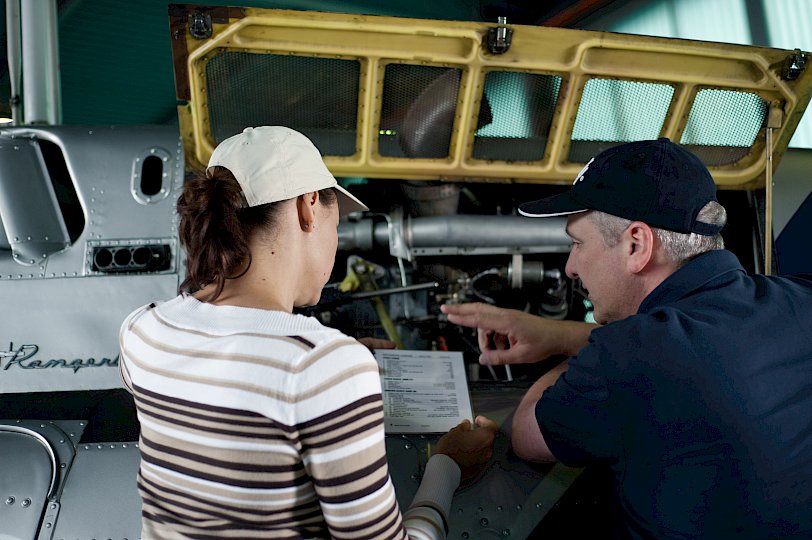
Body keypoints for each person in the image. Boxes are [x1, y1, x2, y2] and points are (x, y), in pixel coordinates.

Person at [119, 126, 498, 540]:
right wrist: (448, 467)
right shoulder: (323, 366)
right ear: (308, 207)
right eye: (336, 227)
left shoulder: (142, 329)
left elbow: (229, 381)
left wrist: (330, 364)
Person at [442, 138, 812, 539]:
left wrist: (581, 346)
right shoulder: (801, 298)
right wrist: (561, 334)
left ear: (637, 245)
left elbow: (527, 434)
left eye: (577, 243)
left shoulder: (627, 355)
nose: (570, 267)